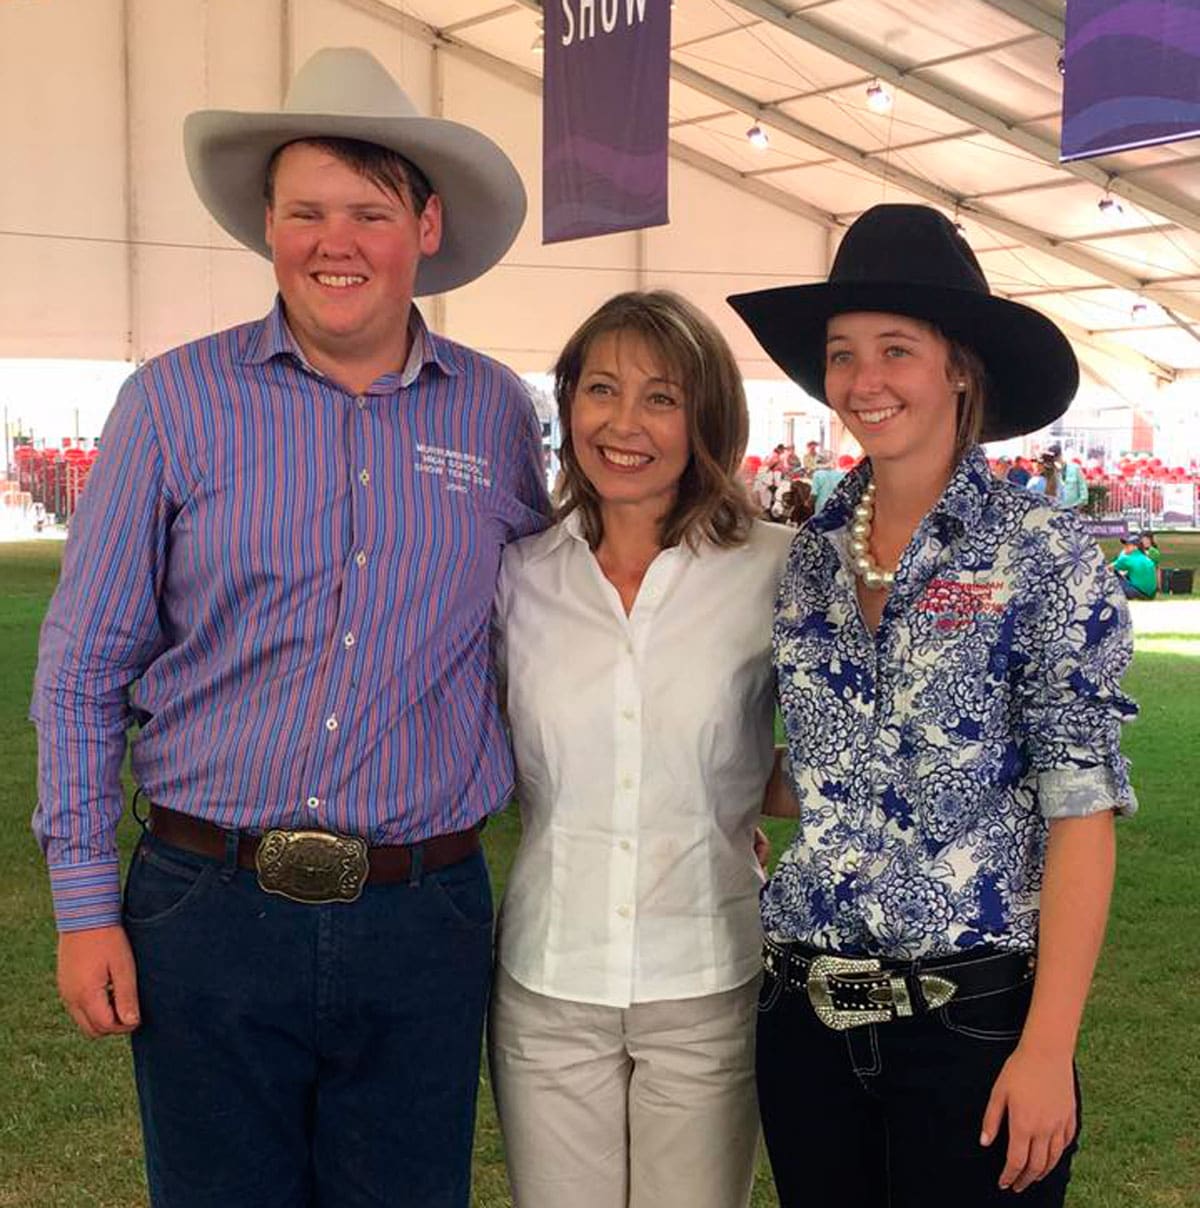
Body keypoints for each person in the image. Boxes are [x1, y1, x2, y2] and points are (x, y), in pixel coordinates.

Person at [31, 47, 548, 1207]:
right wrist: (81, 905)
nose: (337, 241)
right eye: (307, 210)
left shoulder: (496, 412)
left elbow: (553, 638)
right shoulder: (173, 401)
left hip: (424, 914)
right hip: (206, 908)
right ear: (266, 225)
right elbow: (80, 667)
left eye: (369, 210)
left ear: (423, 224)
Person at [729, 203, 1138, 1208]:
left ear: (958, 366)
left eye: (896, 349)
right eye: (841, 353)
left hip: (973, 1027)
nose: (864, 380)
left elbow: (1080, 816)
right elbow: (831, 772)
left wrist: (1049, 1048)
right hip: (803, 1021)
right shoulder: (808, 559)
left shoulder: (1044, 555)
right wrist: (721, 788)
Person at [488, 291, 794, 1208]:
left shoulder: (776, 569)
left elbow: (837, 751)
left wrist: (735, 798)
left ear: (707, 419)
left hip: (707, 977)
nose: (624, 424)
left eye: (661, 398)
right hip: (549, 980)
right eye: (602, 389)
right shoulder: (517, 574)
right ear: (568, 402)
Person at [1048, 443, 1088, 510]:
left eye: (1056, 457)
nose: (1055, 460)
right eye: (1053, 459)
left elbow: (1083, 490)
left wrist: (1078, 506)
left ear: (1060, 455)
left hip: (1072, 509)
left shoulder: (1075, 469)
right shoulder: (1051, 473)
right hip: (1056, 510)